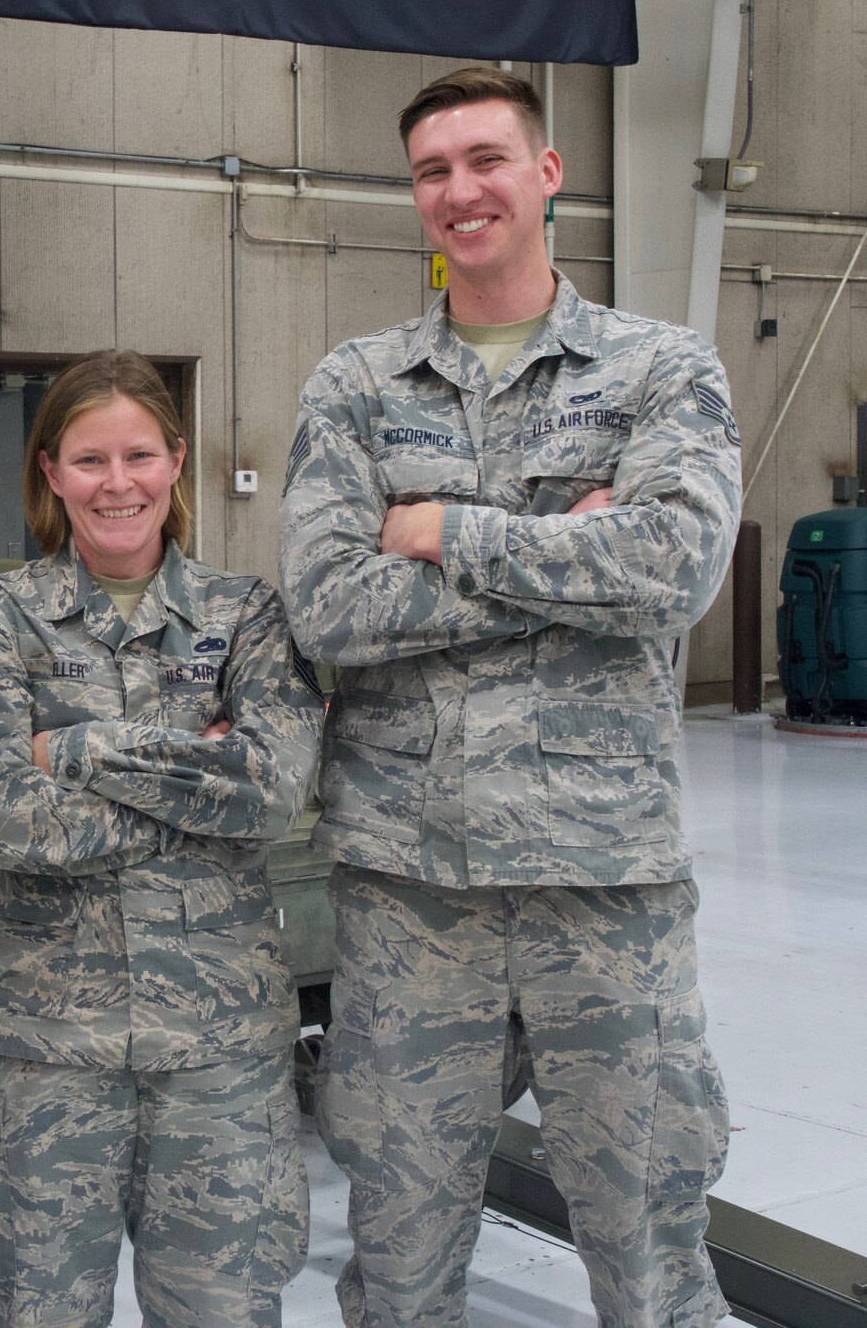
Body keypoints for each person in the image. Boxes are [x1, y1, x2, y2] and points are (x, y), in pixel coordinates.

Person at [278, 66, 742, 1328]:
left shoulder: (660, 369)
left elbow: (673, 568)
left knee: (649, 1240)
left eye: (485, 159)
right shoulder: (357, 385)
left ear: (545, 174)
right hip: (408, 895)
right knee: (401, 1247)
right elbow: (326, 606)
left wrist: (436, 530)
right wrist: (560, 548)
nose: (458, 190)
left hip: (605, 890)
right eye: (432, 171)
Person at [0, 351, 325, 1327]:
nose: (117, 483)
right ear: (49, 473)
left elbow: (269, 794)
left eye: (138, 456)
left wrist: (71, 747)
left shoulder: (245, 618)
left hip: (216, 1053)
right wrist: (189, 770)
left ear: (175, 462)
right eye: (88, 460)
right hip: (38, 1052)